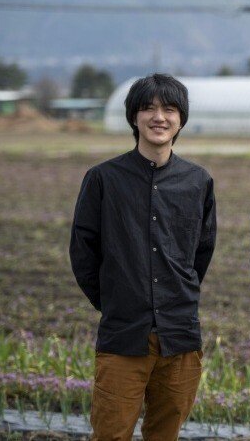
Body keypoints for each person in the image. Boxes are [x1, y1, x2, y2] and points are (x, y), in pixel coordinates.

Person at [69, 73, 216, 441]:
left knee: (165, 434)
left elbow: (201, 252)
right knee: (110, 434)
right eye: (148, 108)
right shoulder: (104, 178)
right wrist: (116, 301)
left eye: (169, 109)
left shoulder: (198, 182)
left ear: (181, 119)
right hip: (124, 335)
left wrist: (177, 296)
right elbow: (83, 253)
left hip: (180, 337)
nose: (159, 117)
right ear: (133, 117)